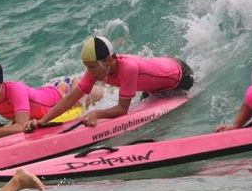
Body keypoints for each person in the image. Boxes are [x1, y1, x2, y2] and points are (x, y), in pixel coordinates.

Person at [25, 35, 195, 130]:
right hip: (155, 86)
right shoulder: (99, 68)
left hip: (180, 78)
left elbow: (122, 109)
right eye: (87, 67)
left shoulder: (128, 68)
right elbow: (70, 98)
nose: (89, 73)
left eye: (91, 67)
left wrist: (97, 114)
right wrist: (43, 121)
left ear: (108, 61)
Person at [0, 58, 103, 141]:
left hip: (66, 91)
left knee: (107, 93)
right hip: (48, 90)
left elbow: (20, 126)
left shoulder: (15, 89)